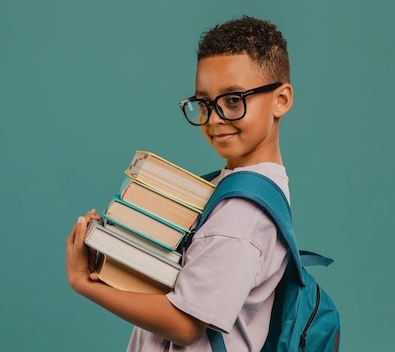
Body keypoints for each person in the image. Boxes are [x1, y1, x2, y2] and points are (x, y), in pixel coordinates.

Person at [65, 16, 294, 351]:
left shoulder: (241, 213)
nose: (215, 118)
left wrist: (83, 282)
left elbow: (185, 324)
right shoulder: (231, 188)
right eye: (205, 103)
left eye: (233, 100)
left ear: (281, 100)